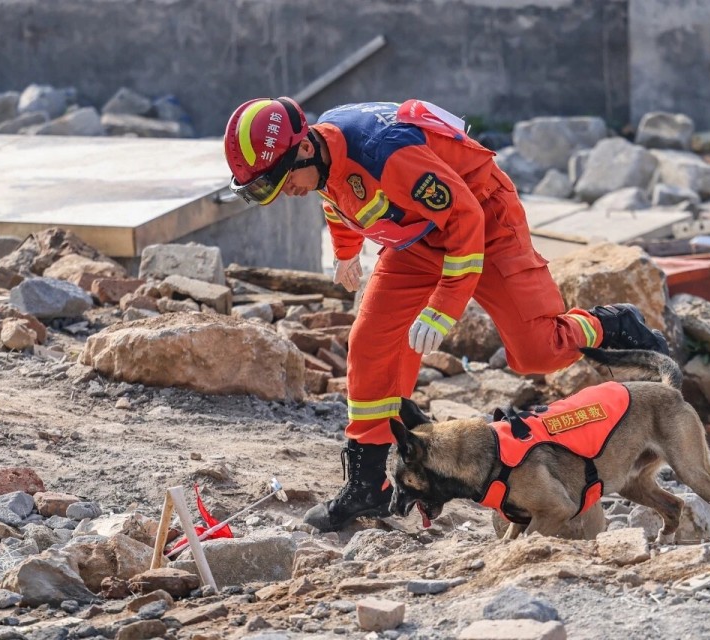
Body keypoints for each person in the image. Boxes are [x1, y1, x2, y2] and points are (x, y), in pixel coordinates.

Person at [224, 97, 669, 532]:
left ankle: (609, 323)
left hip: (484, 220)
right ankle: (367, 483)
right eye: (267, 189)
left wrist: (442, 309)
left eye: (279, 181)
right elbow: (336, 193)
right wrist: (346, 252)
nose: (285, 192)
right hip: (415, 238)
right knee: (370, 344)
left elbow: (465, 219)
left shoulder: (389, 154)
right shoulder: (319, 156)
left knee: (537, 353)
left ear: (304, 147)